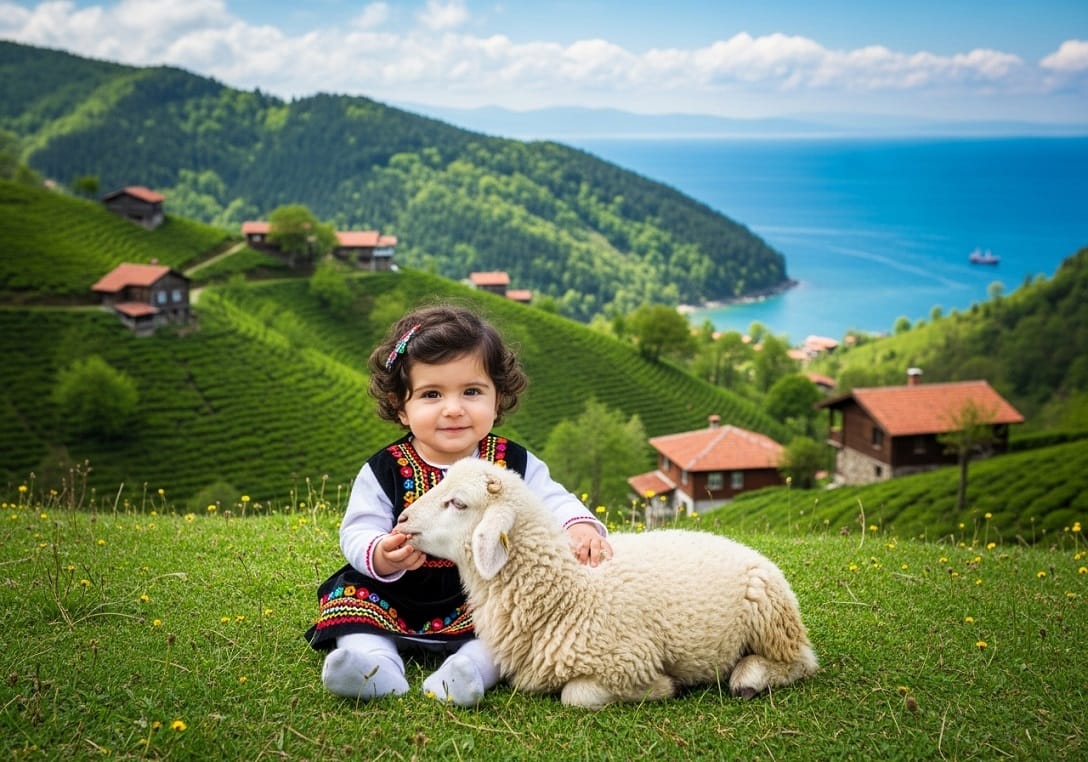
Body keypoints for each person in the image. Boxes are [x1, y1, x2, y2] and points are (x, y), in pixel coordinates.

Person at [305, 303, 613, 706]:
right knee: (352, 609)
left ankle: (467, 673)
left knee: (511, 628)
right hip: (397, 591)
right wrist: (381, 555)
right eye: (432, 394)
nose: (453, 408)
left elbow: (552, 498)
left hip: (479, 593)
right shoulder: (385, 468)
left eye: (471, 392)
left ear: (497, 397)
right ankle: (374, 667)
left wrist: (579, 525)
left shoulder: (512, 462)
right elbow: (357, 528)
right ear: (401, 406)